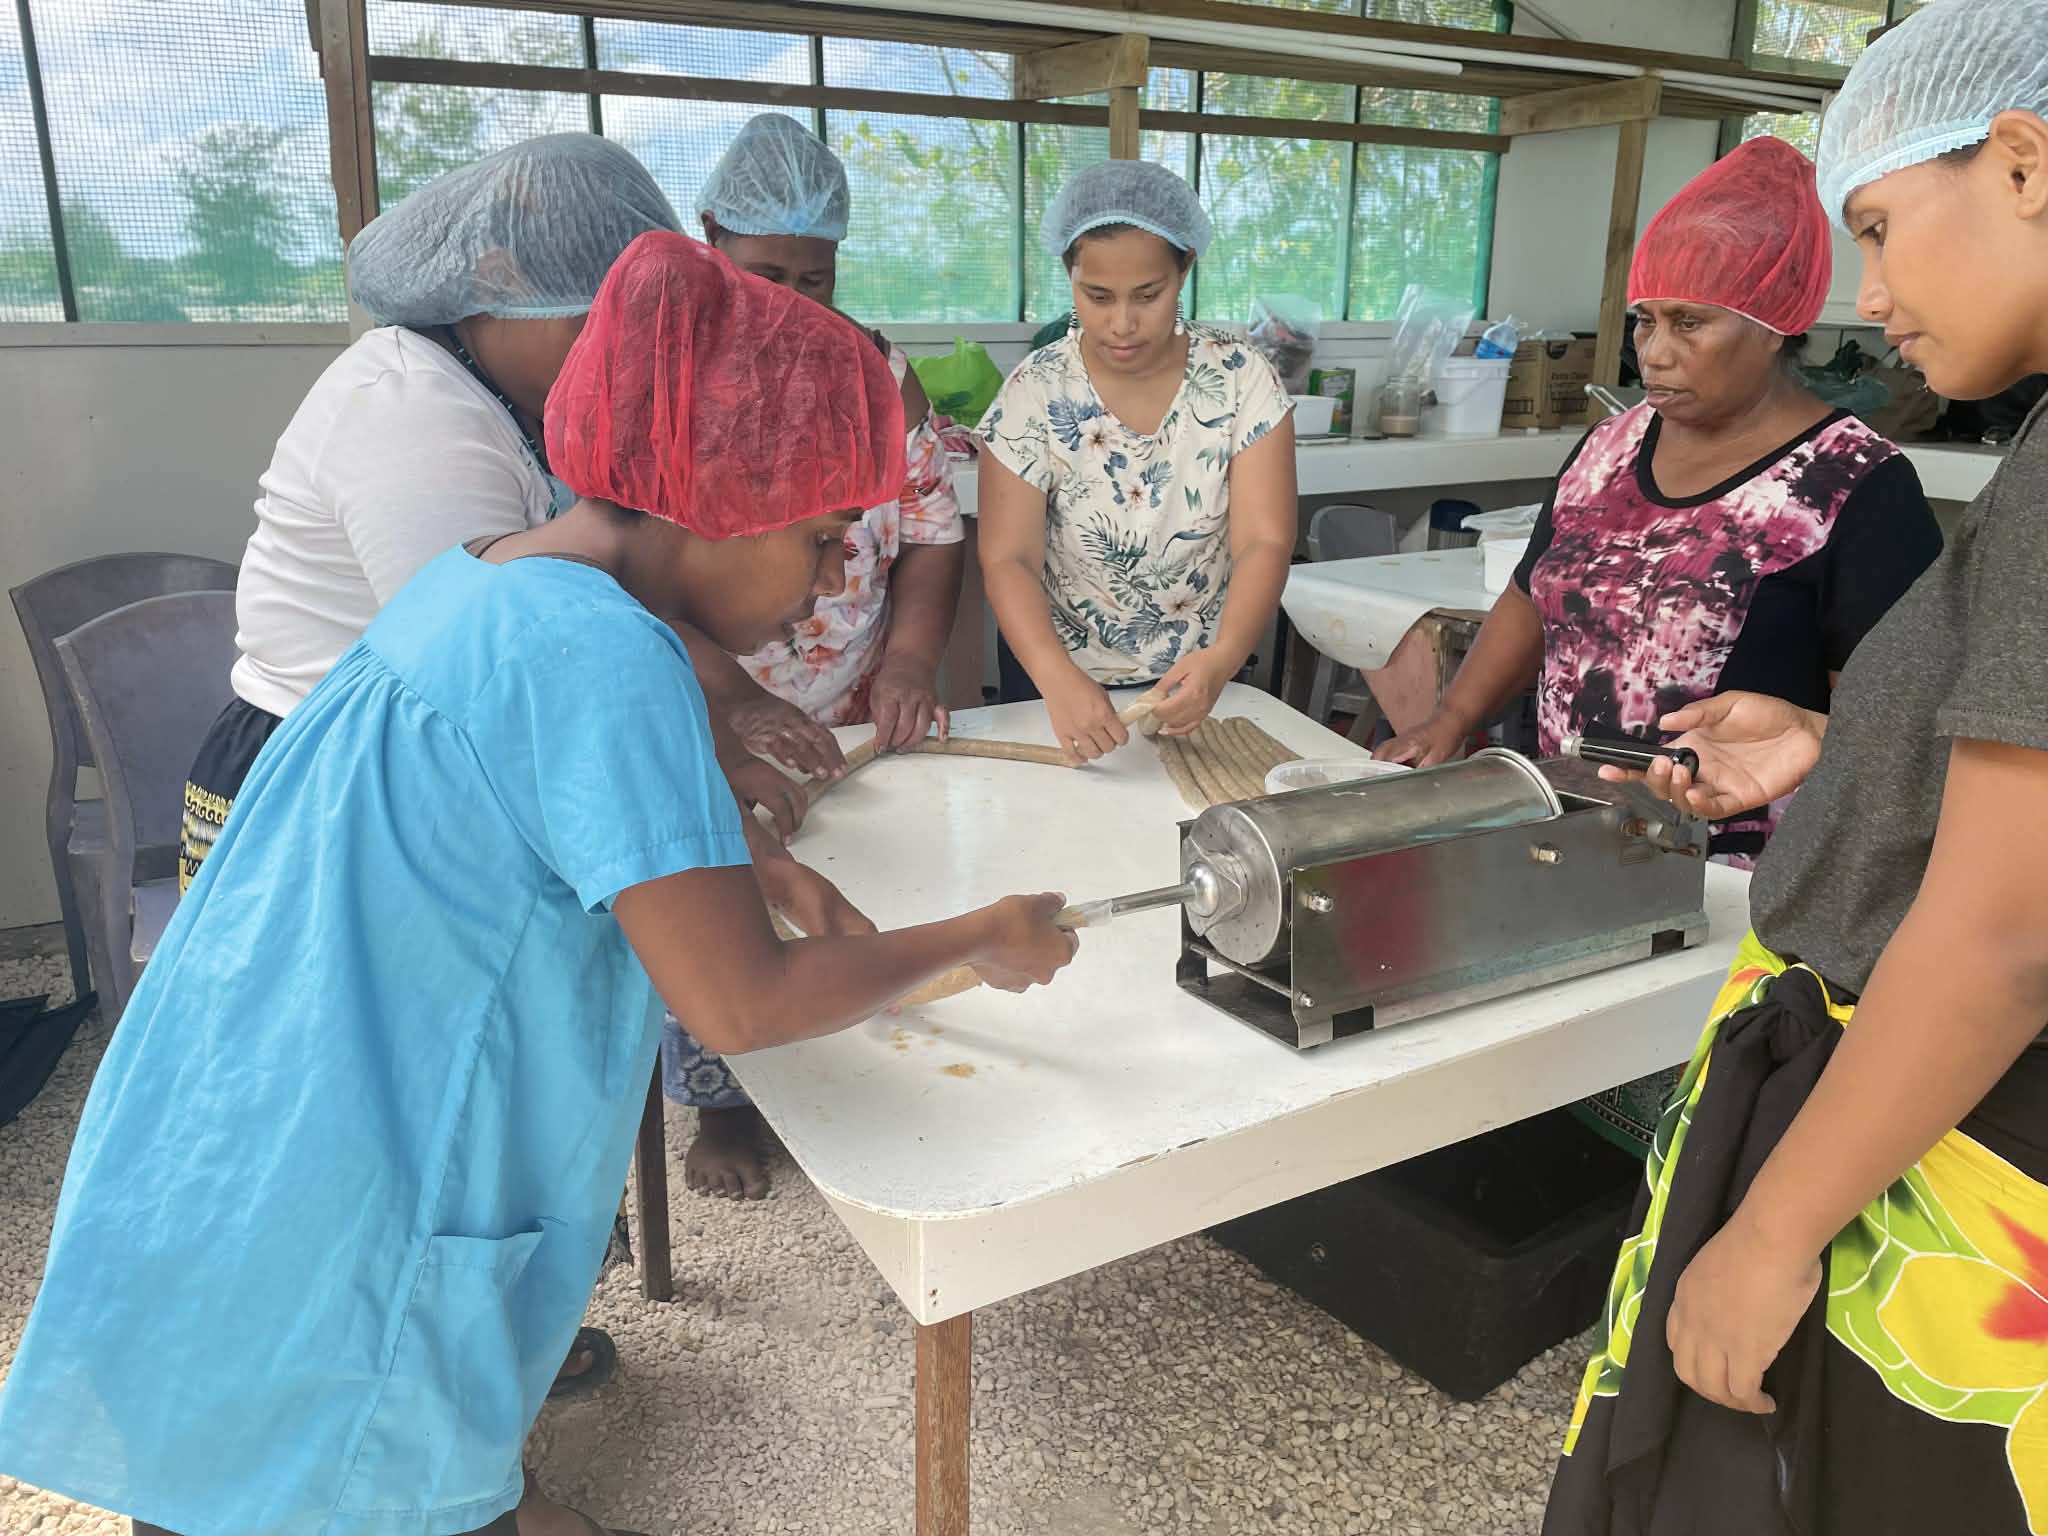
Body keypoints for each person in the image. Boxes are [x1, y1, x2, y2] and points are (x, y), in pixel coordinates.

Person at [0, 231, 1078, 1536]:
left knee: (251, 1443)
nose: (836, 582)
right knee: (323, 1446)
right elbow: (743, 1004)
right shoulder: (610, 660)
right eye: (821, 535)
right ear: (715, 499)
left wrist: (759, 866)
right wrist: (982, 933)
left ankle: (471, 1500)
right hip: (352, 1193)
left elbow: (553, 819)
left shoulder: (489, 582)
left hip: (245, 1125)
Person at [176, 135, 864, 1409]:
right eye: (610, 325)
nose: (639, 366)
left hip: (447, 783)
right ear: (501, 293)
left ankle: (482, 1379)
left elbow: (606, 593)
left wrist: (719, 723)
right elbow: (537, 687)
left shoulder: (520, 413)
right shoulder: (412, 420)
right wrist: (737, 856)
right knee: (377, 1139)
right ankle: (407, 1426)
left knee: (469, 1124)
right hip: (327, 784)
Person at [1545, 4, 2048, 1530]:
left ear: (2023, 162)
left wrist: (1769, 1236)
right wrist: (1841, 753)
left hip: (1953, 1144)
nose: (1874, 295)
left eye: (1885, 229)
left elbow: (2007, 936)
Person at [1376, 137, 1940, 1152]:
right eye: (1643, 320)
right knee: (1543, 1082)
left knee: (1680, 1116)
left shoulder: (1854, 486)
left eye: (1690, 322)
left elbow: (1896, 714)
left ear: (1775, 326)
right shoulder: (1606, 447)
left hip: (1732, 885)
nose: (1656, 350)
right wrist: (1451, 721)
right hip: (1564, 831)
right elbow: (1530, 594)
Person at [662, 112, 969, 1200]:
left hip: (843, 701)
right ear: (707, 239)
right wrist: (732, 700)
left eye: (815, 276)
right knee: (720, 898)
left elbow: (932, 529)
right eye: (762, 272)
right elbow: (639, 581)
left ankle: (847, 1067)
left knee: (849, 879)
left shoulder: (881, 377)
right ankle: (723, 1106)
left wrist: (909, 662)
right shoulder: (671, 380)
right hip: (708, 700)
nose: (790, 300)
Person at [977, 160, 1299, 760]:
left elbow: (1265, 540)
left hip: (1200, 682)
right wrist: (1056, 678)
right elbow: (1007, 557)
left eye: (1148, 295)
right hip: (1056, 684)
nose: (1122, 324)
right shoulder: (1037, 390)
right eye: (1096, 297)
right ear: (1068, 275)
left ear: (1185, 270)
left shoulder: (1238, 377)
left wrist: (1223, 658)